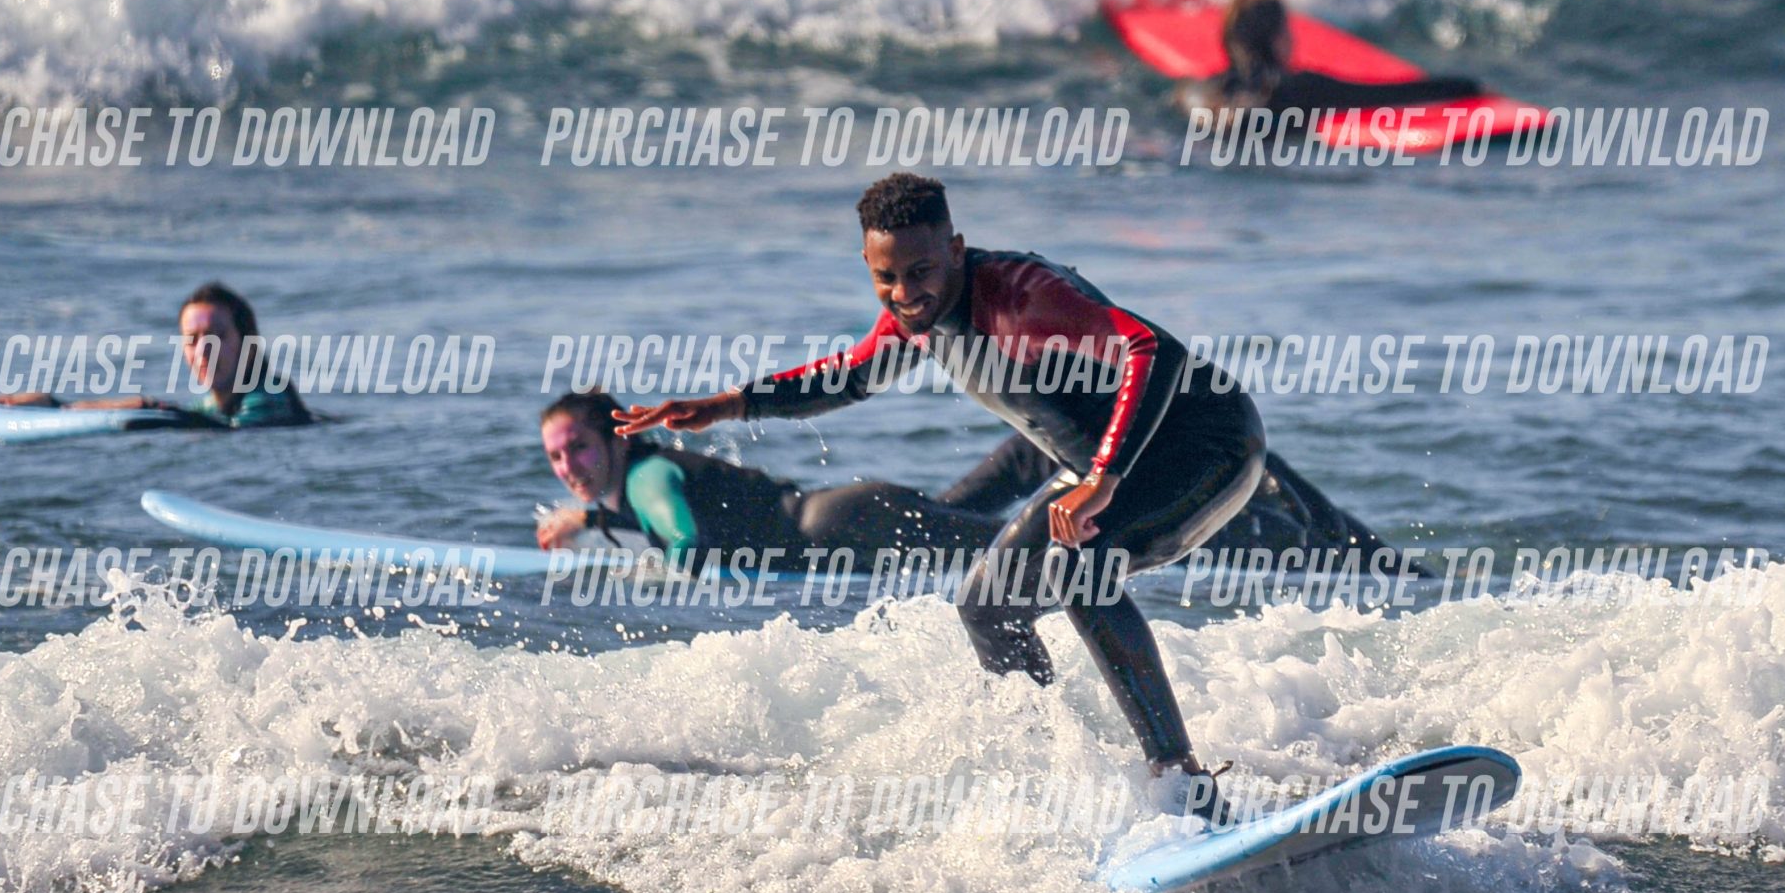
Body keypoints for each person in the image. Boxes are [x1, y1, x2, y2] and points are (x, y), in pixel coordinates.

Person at [616, 173, 1263, 819]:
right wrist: (729, 404)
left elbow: (1149, 349)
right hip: (1101, 465)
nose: (904, 293)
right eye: (886, 277)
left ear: (955, 250)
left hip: (1207, 445)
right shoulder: (914, 317)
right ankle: (1055, 773)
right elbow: (850, 376)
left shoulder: (1021, 294)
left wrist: (1103, 478)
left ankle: (1181, 780)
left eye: (920, 272)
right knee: (986, 604)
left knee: (1078, 570)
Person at [537, 389, 997, 565]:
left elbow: (685, 541)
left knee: (1013, 552)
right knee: (994, 536)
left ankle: (1040, 449)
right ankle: (1033, 455)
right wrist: (588, 520)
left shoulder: (647, 478)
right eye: (555, 456)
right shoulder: (644, 479)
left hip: (845, 526)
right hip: (846, 522)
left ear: (619, 441)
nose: (568, 467)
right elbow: (657, 519)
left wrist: (650, 587)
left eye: (579, 447)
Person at [939, 430, 1420, 573]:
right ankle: (1419, 583)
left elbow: (1265, 467)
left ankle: (1419, 583)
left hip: (1230, 533)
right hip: (1208, 540)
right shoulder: (1043, 448)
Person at [0, 281, 311, 427]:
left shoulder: (270, 396)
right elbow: (196, 423)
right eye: (192, 339)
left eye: (217, 336)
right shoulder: (209, 407)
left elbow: (231, 435)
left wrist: (149, 408)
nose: (203, 349)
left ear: (248, 343)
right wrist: (57, 406)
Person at [1180, 0, 1484, 118]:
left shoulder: (1204, 89)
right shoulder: (1295, 88)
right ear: (1276, 40)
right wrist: (1467, 86)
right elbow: (1385, 95)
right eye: (1287, 30)